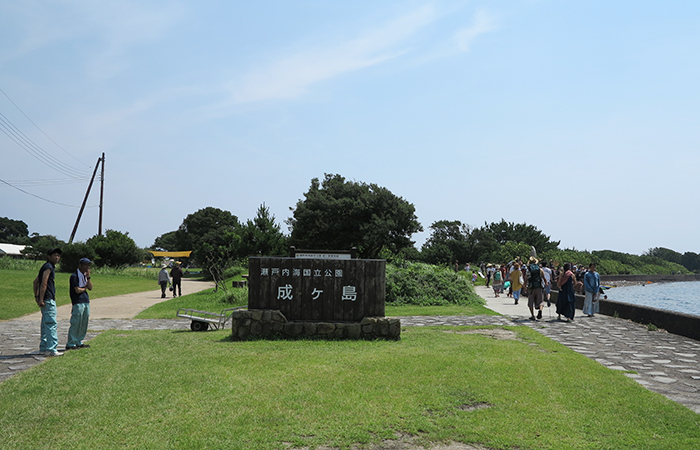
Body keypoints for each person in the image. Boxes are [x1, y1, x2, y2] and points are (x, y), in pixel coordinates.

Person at [32, 248, 63, 357]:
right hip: (48, 299)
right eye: (54, 255)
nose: (57, 257)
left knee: (45, 324)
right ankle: (51, 349)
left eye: (58, 255)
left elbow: (35, 282)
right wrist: (40, 298)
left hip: (44, 299)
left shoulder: (44, 267)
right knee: (51, 324)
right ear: (49, 256)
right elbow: (43, 283)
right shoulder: (49, 267)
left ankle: (44, 347)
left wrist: (37, 296)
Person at [66, 258, 93, 350]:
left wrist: (88, 278)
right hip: (78, 301)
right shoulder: (74, 276)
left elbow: (90, 287)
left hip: (85, 300)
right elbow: (77, 290)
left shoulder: (85, 276)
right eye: (85, 265)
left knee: (84, 322)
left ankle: (79, 341)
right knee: (76, 322)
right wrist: (84, 288)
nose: (87, 267)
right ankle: (71, 343)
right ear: (80, 265)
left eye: (88, 265)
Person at [525, 256, 545, 321]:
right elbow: (544, 278)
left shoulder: (528, 269)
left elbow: (526, 278)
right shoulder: (540, 269)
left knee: (530, 302)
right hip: (539, 286)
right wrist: (546, 284)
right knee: (540, 301)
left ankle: (532, 315)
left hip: (531, 287)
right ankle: (540, 310)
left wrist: (525, 286)